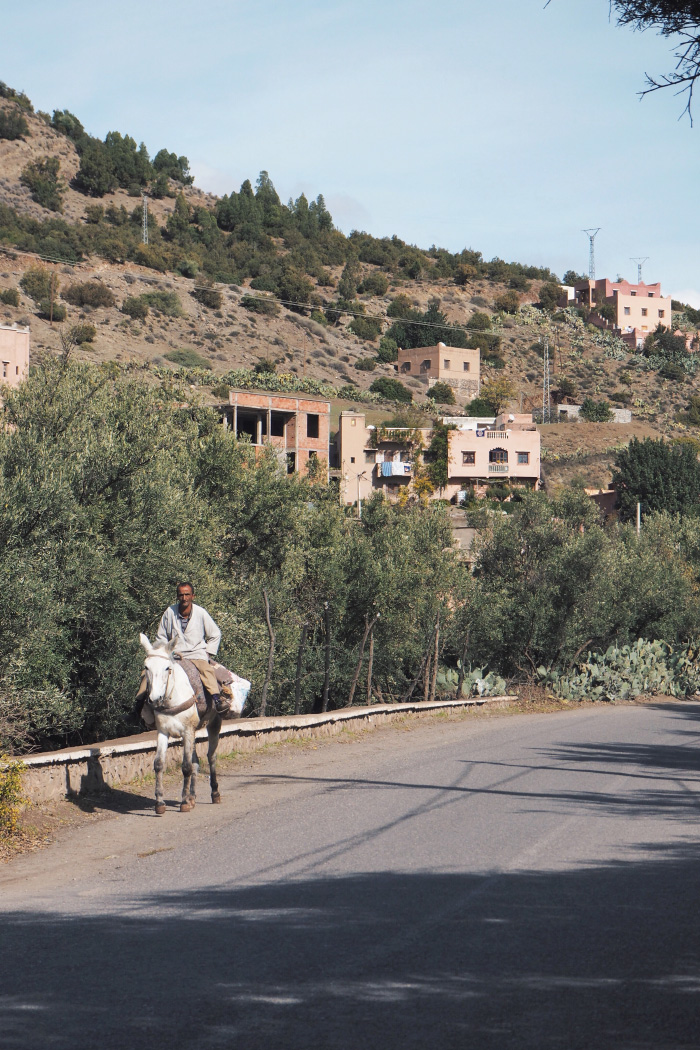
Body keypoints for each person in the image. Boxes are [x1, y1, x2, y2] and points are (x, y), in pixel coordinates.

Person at [136, 582, 226, 720]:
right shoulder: (169, 612)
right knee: (147, 672)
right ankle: (137, 706)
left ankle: (217, 699)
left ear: (193, 596)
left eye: (187, 594)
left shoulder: (201, 613)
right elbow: (161, 636)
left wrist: (208, 652)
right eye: (181, 595)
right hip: (174, 655)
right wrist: (165, 652)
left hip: (196, 654)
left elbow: (215, 634)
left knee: (206, 670)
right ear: (177, 596)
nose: (184, 598)